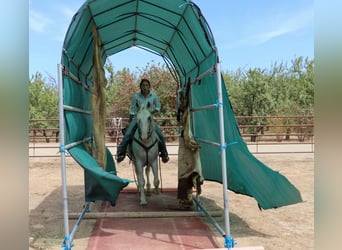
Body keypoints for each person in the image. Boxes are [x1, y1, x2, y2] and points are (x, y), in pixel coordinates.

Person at [116, 78, 169, 163]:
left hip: (149, 119)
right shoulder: (136, 97)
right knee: (127, 134)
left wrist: (150, 112)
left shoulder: (153, 96)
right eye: (143, 85)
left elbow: (158, 107)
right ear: (140, 87)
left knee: (160, 134)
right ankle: (120, 153)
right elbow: (132, 110)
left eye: (146, 85)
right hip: (137, 118)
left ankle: (164, 154)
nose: (145, 87)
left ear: (149, 87)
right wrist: (130, 123)